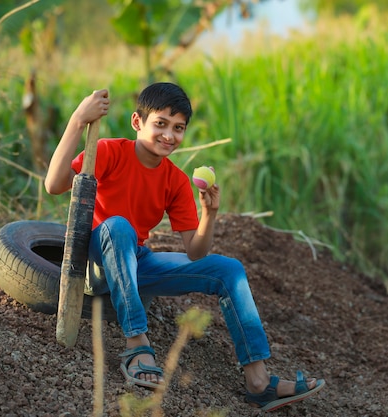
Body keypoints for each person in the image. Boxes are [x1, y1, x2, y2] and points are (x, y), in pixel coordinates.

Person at [44, 82, 325, 411]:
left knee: (228, 270)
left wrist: (210, 212)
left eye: (178, 129)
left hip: (136, 261)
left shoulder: (175, 180)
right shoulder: (109, 151)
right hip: (96, 257)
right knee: (120, 226)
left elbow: (195, 251)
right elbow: (54, 185)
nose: (169, 136)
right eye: (160, 124)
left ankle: (259, 381)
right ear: (138, 122)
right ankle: (137, 344)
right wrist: (78, 119)